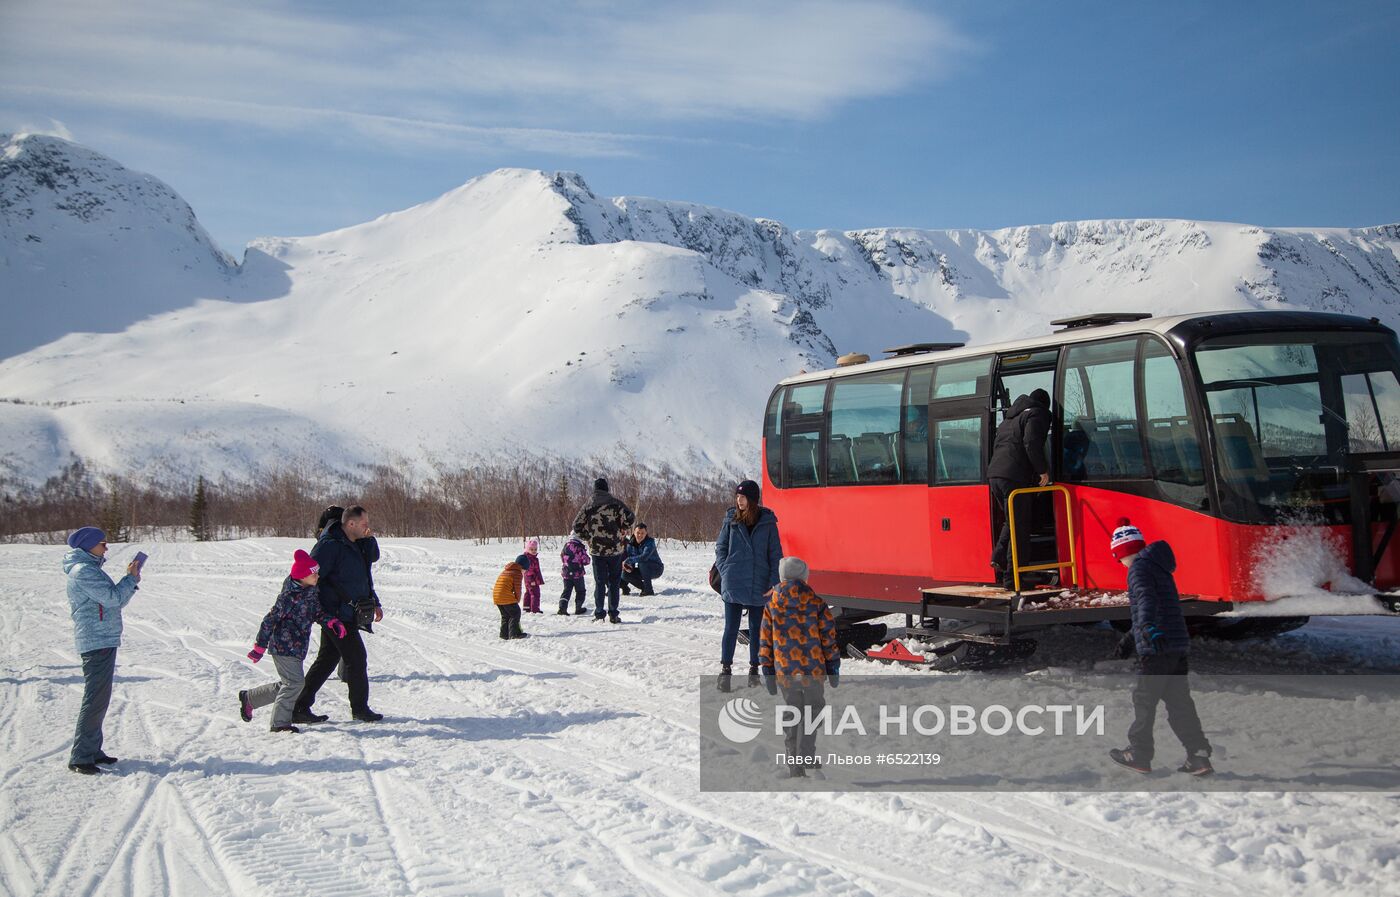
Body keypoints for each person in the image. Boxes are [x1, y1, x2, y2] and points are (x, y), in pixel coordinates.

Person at [1107, 519, 1213, 776]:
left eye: (1118, 559)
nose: (1120, 565)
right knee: (1180, 704)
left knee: (1144, 700)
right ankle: (1198, 755)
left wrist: (1147, 629)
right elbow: (1154, 608)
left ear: (1123, 553)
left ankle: (1139, 753)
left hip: (1156, 648)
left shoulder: (1138, 569)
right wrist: (1129, 640)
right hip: (1175, 645)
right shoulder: (1159, 568)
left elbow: (1145, 601)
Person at [239, 550, 346, 733]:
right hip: (283, 646)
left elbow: (316, 612)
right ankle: (280, 724)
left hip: (297, 647)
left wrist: (331, 621)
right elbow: (269, 620)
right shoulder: (288, 597)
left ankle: (250, 698)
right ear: (303, 575)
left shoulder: (310, 591)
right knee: (294, 684)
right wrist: (259, 646)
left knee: (289, 684)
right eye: (314, 573)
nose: (317, 576)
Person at [63, 526, 141, 774]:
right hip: (96, 640)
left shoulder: (90, 569)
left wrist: (131, 579)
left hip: (102, 638)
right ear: (88, 545)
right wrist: (130, 578)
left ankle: (92, 750)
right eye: (102, 543)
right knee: (95, 698)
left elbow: (115, 600)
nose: (106, 547)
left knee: (100, 698)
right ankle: (81, 756)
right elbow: (114, 599)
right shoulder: (84, 571)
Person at [295, 506, 384, 723]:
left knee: (328, 658)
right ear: (350, 524)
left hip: (348, 612)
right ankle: (360, 709)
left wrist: (375, 603)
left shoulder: (357, 543)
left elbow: (365, 573)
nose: (368, 528)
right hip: (335, 614)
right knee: (356, 658)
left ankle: (299, 706)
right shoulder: (329, 546)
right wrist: (311, 609)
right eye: (364, 524)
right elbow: (308, 575)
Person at [759, 556, 840, 778]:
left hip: (785, 671)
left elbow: (765, 640)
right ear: (804, 576)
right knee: (813, 710)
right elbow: (828, 638)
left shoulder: (772, 605)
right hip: (813, 669)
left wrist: (767, 669)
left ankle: (794, 760)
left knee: (792, 711)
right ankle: (806, 753)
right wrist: (833, 665)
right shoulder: (817, 603)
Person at [714, 479, 783, 691]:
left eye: (742, 497)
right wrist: (725, 570)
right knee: (731, 628)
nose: (738, 500)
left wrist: (774, 582)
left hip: (759, 583)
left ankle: (754, 670)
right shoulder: (731, 520)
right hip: (733, 581)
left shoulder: (768, 523)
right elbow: (720, 548)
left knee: (756, 630)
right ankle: (725, 671)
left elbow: (775, 555)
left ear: (752, 499)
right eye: (737, 497)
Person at [986, 388, 1052, 589]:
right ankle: (1013, 579)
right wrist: (1042, 471)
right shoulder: (1037, 413)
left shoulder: (1009, 418)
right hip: (1014, 477)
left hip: (995, 475)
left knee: (1012, 521)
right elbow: (1031, 443)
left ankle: (999, 556)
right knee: (1020, 528)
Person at [571, 477, 636, 624]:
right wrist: (623, 528)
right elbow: (631, 517)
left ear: (594, 489)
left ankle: (599, 614)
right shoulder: (616, 502)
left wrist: (587, 536)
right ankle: (613, 614)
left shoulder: (589, 504)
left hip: (597, 550)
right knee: (614, 582)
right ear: (607, 489)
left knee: (600, 582)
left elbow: (576, 525)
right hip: (615, 549)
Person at [493, 554, 531, 639]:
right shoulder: (517, 573)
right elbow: (518, 588)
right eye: (525, 570)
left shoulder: (508, 570)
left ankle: (504, 635)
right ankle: (514, 634)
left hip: (497, 596)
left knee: (506, 615)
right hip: (505, 596)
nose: (525, 572)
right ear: (523, 567)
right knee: (515, 613)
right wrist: (517, 600)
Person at [621, 523, 664, 596]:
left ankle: (649, 590)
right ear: (634, 532)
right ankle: (644, 588)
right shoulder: (630, 544)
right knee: (625, 575)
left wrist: (628, 560)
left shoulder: (650, 542)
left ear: (646, 533)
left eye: (642, 533)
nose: (640, 535)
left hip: (656, 569)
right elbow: (630, 558)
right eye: (638, 533)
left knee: (643, 562)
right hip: (642, 569)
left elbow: (644, 557)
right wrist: (628, 566)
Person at [558, 535, 590, 615]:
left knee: (566, 590)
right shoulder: (579, 547)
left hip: (566, 573)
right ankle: (578, 607)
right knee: (580, 591)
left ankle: (562, 607)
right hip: (577, 574)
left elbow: (562, 557)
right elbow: (586, 560)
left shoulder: (566, 546)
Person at [521, 538, 545, 613]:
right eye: (532, 549)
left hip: (529, 579)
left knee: (528, 592)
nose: (534, 551)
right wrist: (532, 580)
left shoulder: (533, 558)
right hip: (531, 579)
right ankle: (535, 609)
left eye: (535, 549)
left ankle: (526, 608)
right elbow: (528, 571)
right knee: (535, 593)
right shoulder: (529, 559)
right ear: (528, 549)